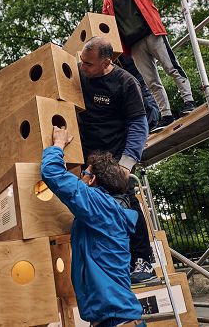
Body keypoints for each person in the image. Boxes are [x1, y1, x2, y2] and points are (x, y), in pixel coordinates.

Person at [42, 126, 144, 327]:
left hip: (115, 320)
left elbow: (52, 172)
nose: (80, 177)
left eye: (83, 173)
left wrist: (59, 145)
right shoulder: (105, 212)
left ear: (92, 180)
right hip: (114, 319)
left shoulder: (100, 206)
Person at [78, 36, 159, 287]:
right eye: (82, 61)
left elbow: (138, 123)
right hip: (84, 156)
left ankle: (143, 261)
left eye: (89, 64)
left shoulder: (125, 83)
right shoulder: (78, 73)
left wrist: (125, 164)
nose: (83, 67)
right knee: (88, 210)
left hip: (113, 157)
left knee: (126, 205)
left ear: (106, 62)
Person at [102, 0, 196, 132]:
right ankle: (166, 115)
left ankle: (189, 101)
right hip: (134, 46)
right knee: (151, 81)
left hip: (152, 34)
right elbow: (106, 27)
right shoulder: (108, 2)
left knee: (171, 67)